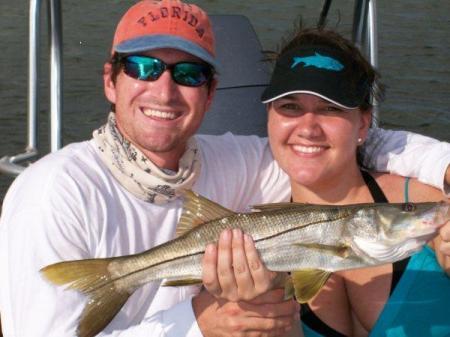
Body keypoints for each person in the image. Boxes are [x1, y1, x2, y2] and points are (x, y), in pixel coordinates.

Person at [0, 0, 449, 336]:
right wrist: (199, 323)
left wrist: (445, 167)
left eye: (189, 74)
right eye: (142, 67)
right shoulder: (53, 193)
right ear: (109, 81)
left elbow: (339, 152)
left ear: (212, 93)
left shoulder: (242, 162)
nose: (164, 89)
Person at [258, 27, 450, 337]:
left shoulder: (430, 206)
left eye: (330, 108)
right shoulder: (247, 245)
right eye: (290, 107)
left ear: (363, 123)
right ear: (269, 116)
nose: (308, 128)